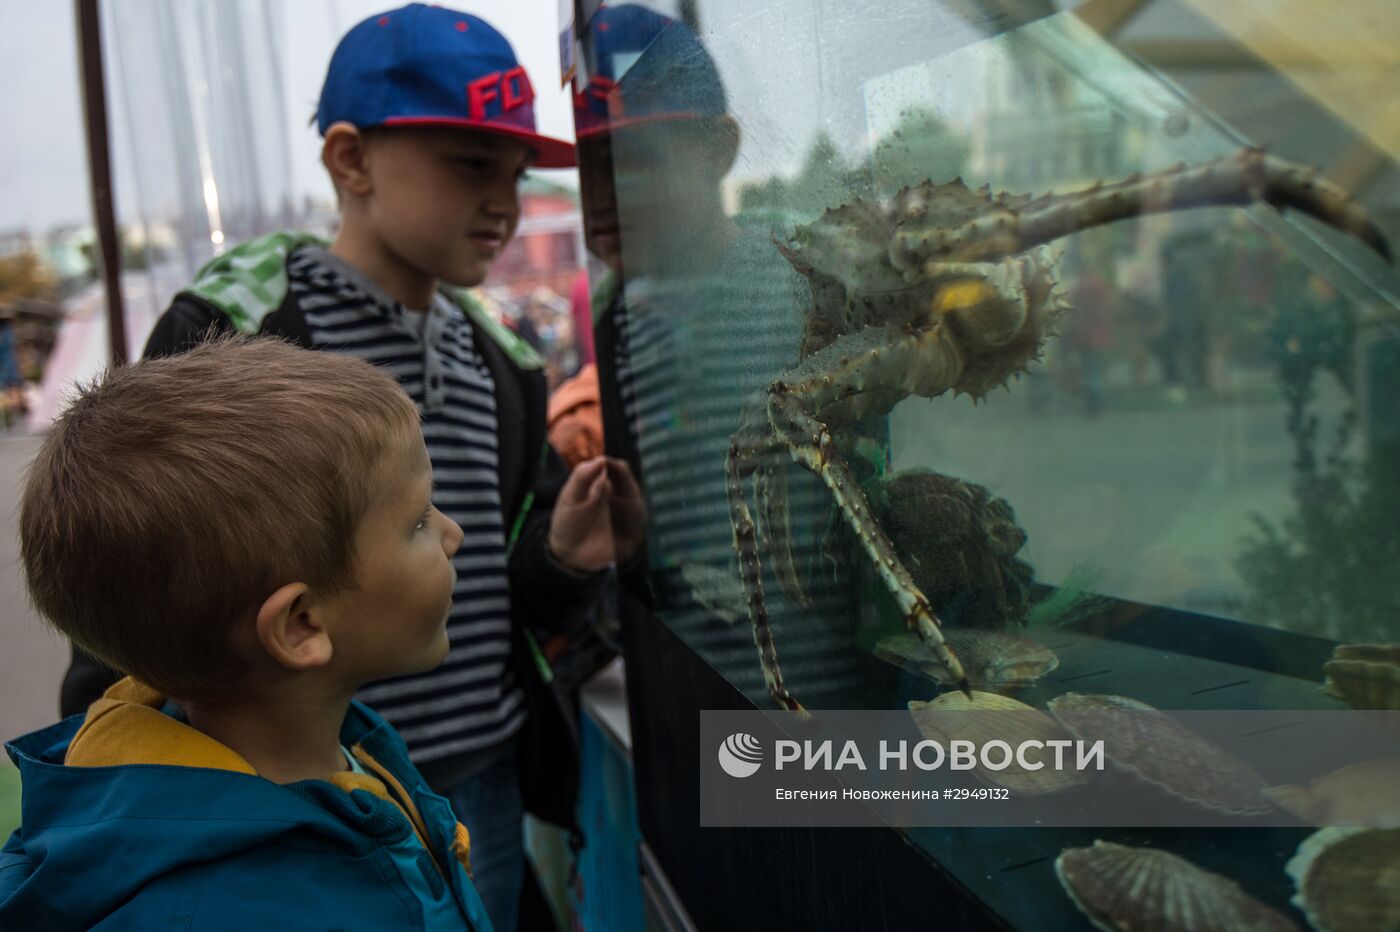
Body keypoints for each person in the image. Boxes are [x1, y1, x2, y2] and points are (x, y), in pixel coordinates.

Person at [56, 7, 645, 930]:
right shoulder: (233, 342)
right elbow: (136, 594)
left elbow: (504, 598)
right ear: (350, 159)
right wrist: (125, 816)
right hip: (281, 813)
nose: (505, 200)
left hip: (481, 780)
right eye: (472, 163)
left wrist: (566, 556)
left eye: (517, 172)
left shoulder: (504, 365)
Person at [4, 338, 493, 929]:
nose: (453, 534)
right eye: (418, 522)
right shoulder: (222, 914)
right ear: (300, 623)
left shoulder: (345, 748)